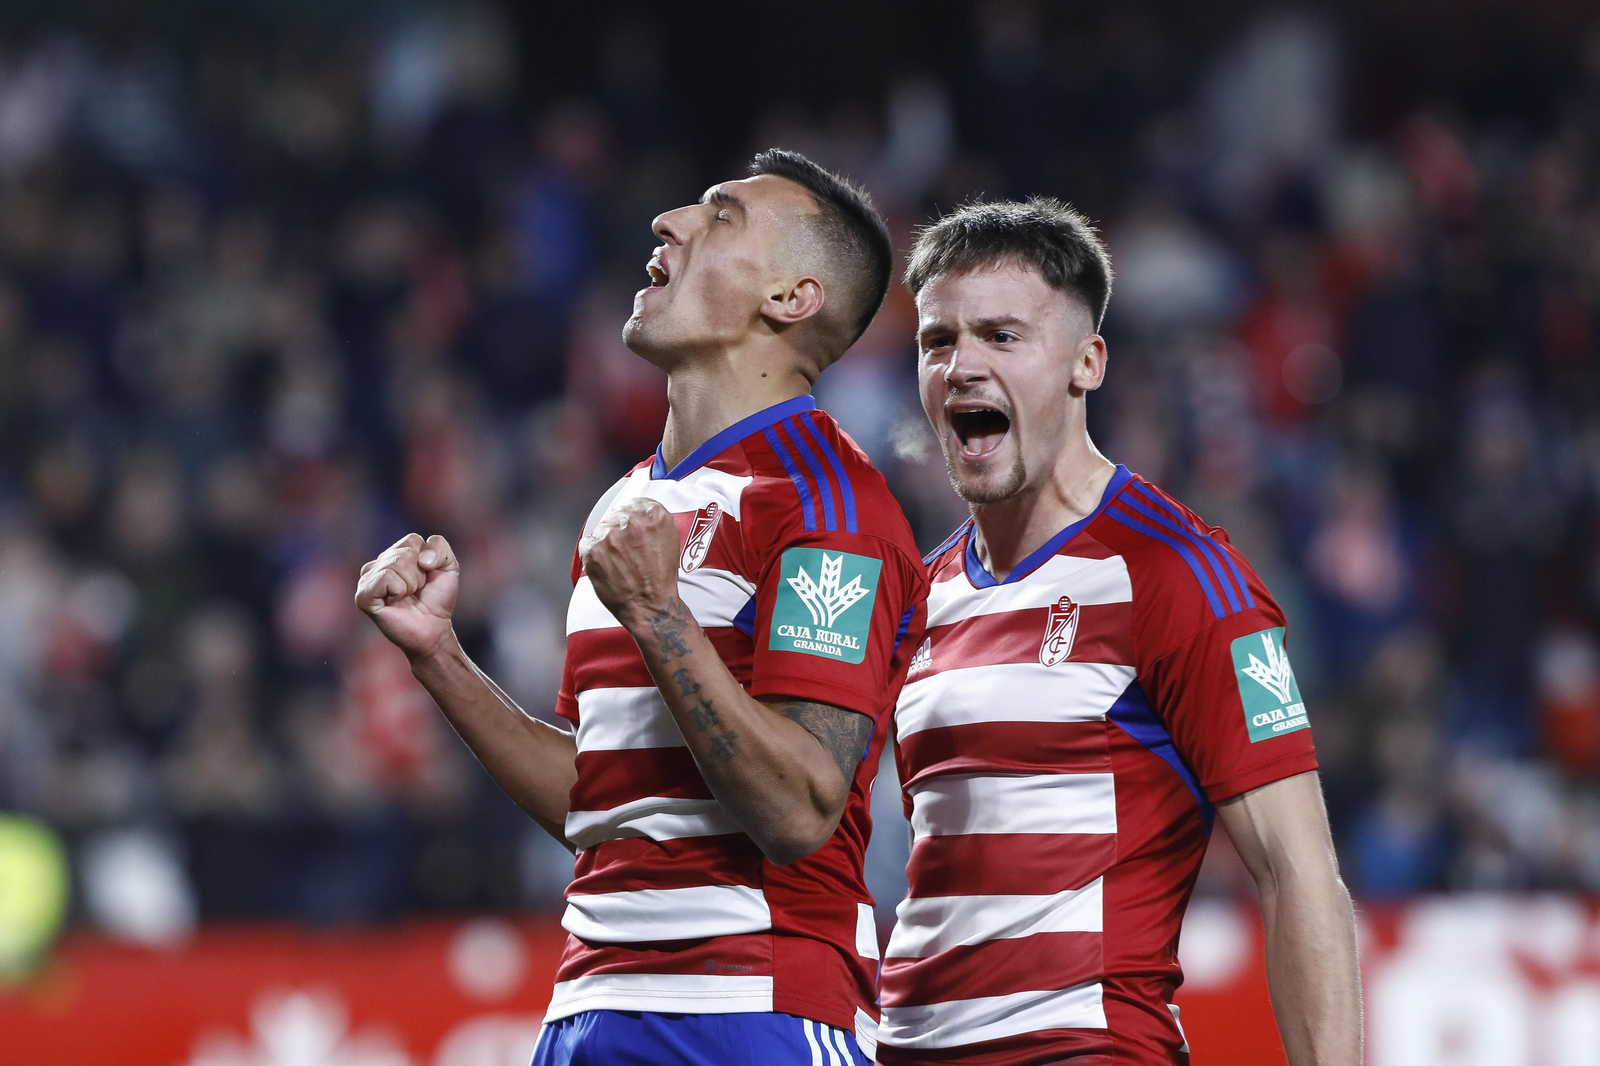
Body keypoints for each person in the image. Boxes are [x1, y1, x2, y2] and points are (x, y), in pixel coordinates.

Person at [355, 149, 927, 1066]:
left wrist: (662, 617)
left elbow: (798, 808)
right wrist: (439, 658)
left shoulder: (827, 505)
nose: (669, 220)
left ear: (791, 298)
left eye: (723, 216)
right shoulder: (624, 504)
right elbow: (599, 799)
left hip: (753, 1009)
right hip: (592, 1003)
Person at [875, 199, 1361, 1065]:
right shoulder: (927, 591)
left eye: (1002, 336)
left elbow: (1297, 871)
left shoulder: (1180, 575)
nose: (960, 367)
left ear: (1086, 364)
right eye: (937, 341)